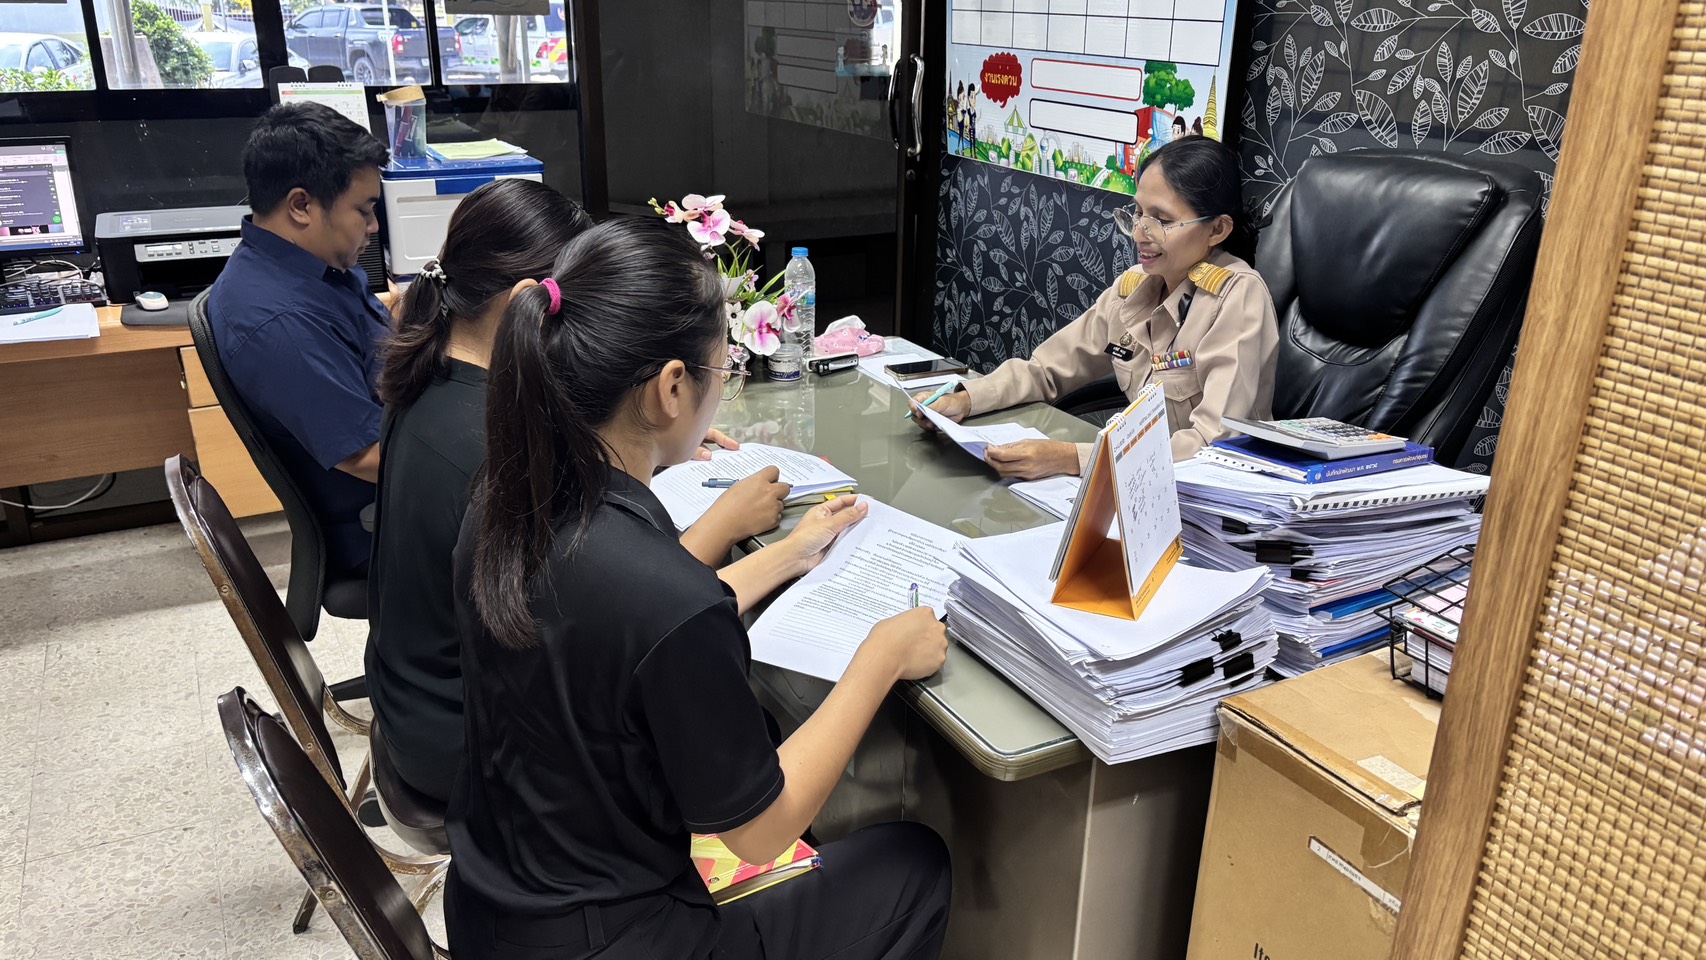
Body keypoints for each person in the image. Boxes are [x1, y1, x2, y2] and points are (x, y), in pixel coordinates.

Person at [447, 217, 953, 959]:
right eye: (724, 370)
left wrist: (787, 556)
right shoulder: (662, 596)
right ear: (671, 388)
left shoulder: (504, 496)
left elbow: (626, 626)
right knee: (913, 864)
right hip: (620, 943)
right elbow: (760, 832)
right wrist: (880, 658)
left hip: (495, 910)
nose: (724, 388)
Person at [368, 179, 786, 805]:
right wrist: (725, 520)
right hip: (470, 746)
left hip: (417, 700)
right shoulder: (494, 446)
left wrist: (650, 429)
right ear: (529, 303)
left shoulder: (436, 378)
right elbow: (621, 600)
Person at [915, 136, 1278, 477]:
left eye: (1162, 221)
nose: (1138, 233)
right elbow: (1046, 371)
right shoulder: (1135, 286)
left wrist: (1071, 458)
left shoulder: (1237, 296)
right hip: (1136, 480)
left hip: (1211, 496)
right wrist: (965, 398)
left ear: (1216, 230)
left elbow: (1210, 444)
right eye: (1137, 214)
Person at [208, 101, 393, 576]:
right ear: (301, 205)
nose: (374, 226)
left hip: (407, 441)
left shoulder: (313, 266)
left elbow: (371, 343)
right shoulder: (281, 322)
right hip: (383, 526)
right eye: (364, 210)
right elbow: (368, 455)